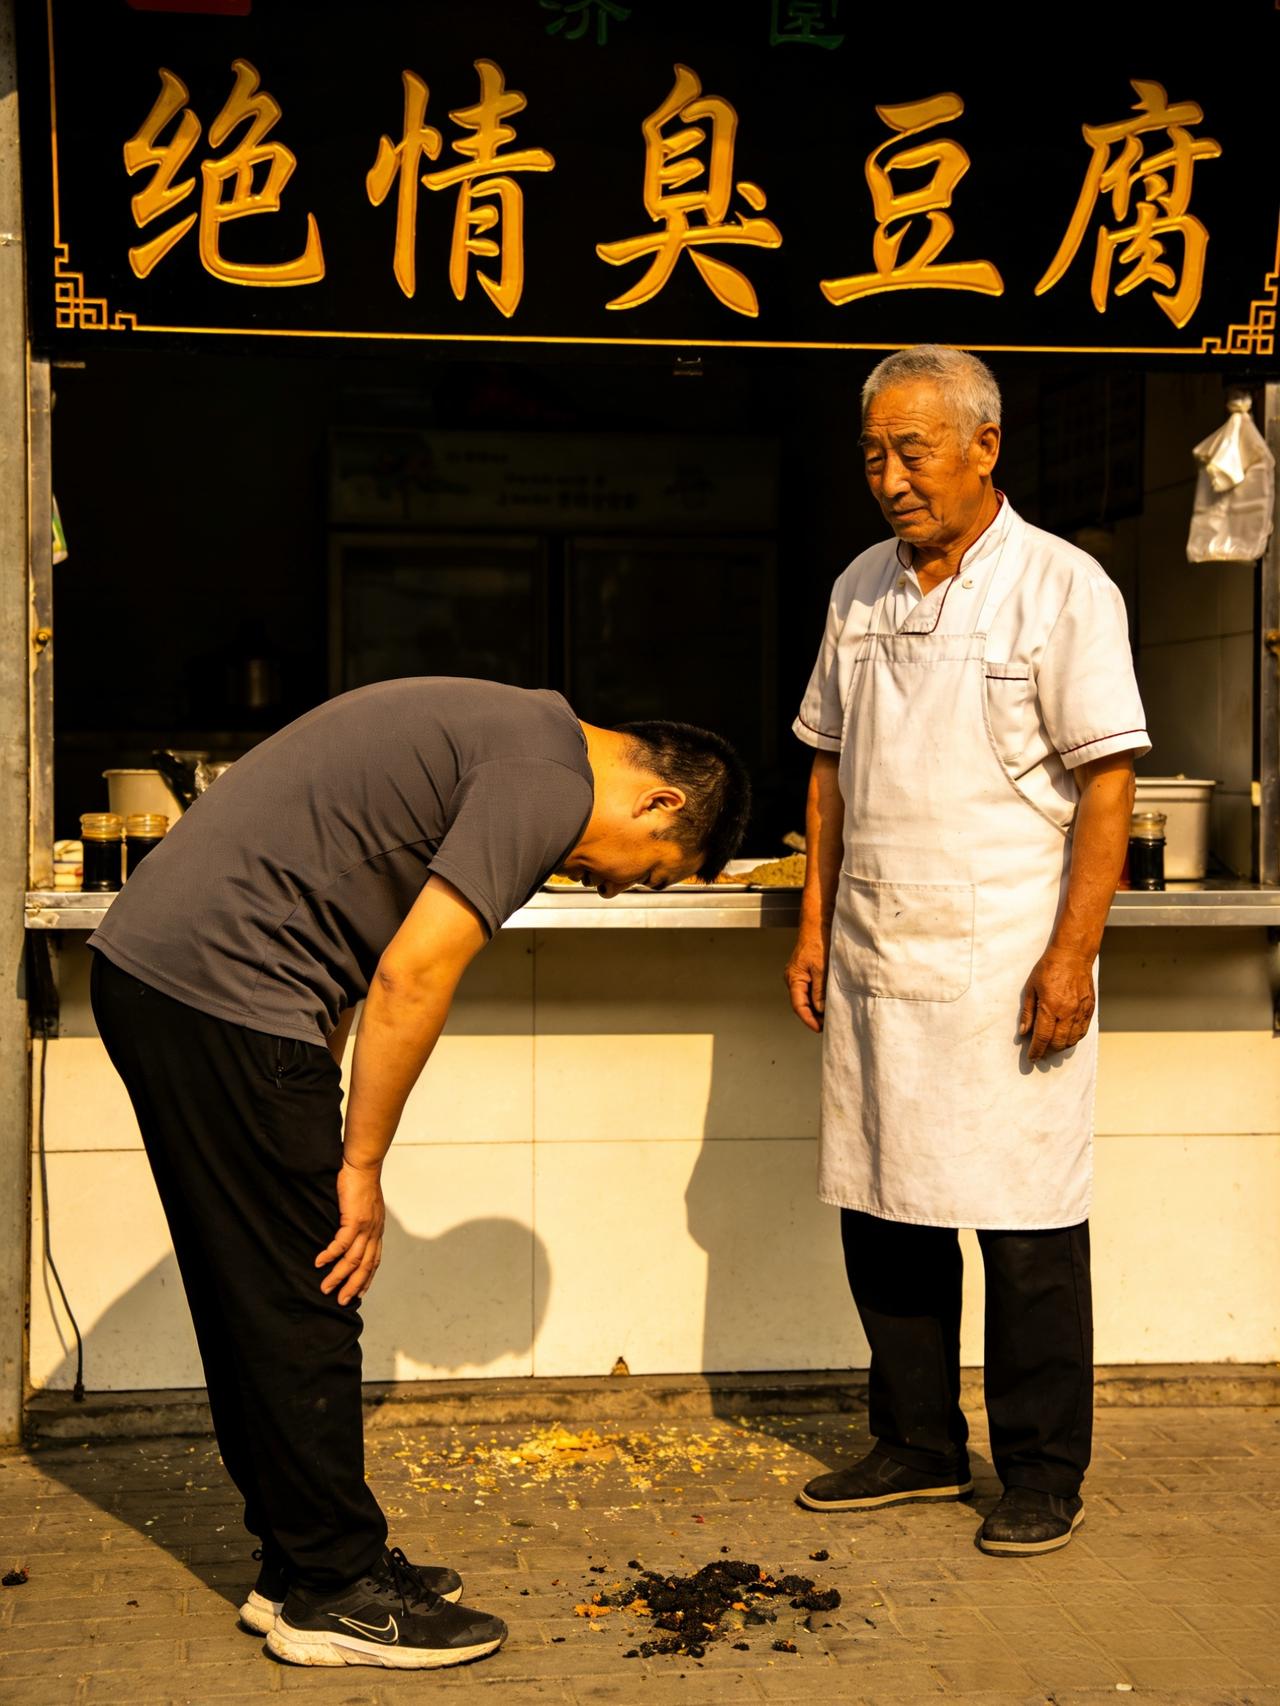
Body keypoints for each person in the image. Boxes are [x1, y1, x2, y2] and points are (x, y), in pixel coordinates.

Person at [89, 677, 749, 1668]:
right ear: (659, 801)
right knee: (311, 1293)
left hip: (178, 976)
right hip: (224, 985)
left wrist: (324, 1076)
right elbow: (415, 970)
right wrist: (358, 1163)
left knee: (262, 1294)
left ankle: (296, 1561)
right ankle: (332, 1586)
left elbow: (358, 932)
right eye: (649, 873)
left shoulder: (519, 733)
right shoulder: (545, 777)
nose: (614, 887)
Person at [785, 346, 1147, 1557]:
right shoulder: (857, 588)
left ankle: (1043, 1468)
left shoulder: (1061, 587)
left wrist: (1073, 953)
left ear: (984, 446)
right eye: (873, 456)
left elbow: (1107, 784)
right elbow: (826, 765)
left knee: (1026, 1222)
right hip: (881, 950)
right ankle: (916, 1441)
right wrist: (811, 920)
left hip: (1005, 956)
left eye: (913, 451)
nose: (889, 479)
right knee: (883, 1202)